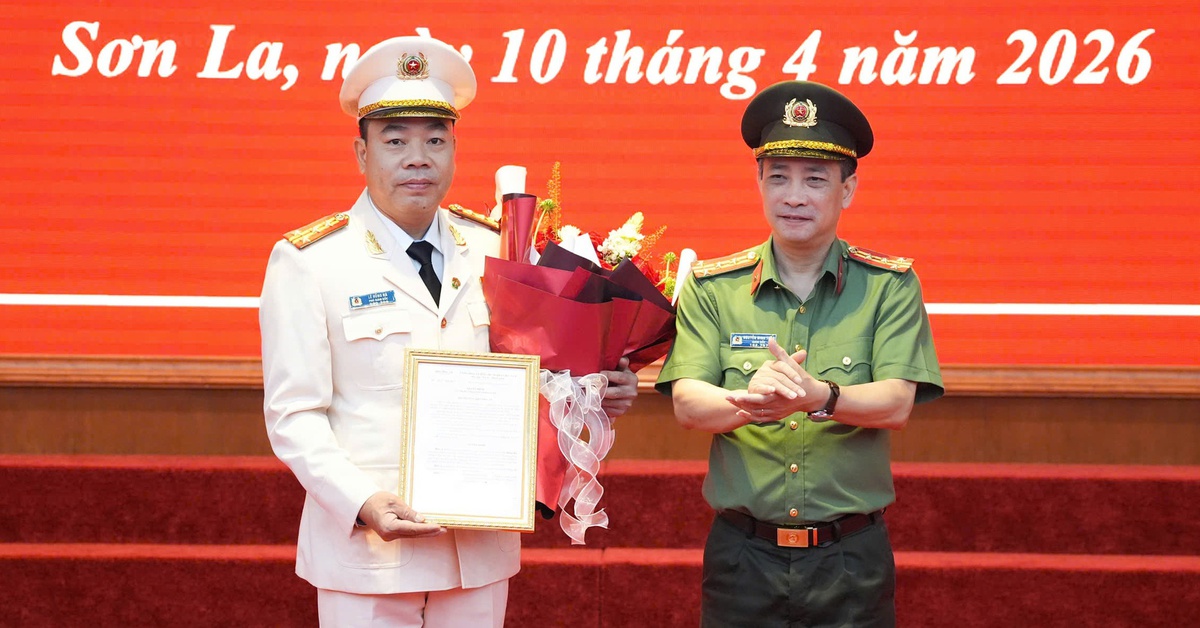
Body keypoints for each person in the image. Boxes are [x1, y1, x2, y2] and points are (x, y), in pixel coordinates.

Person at [259, 36, 638, 627]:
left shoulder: (497, 249)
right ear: (361, 152)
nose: (418, 158)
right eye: (396, 141)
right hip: (370, 554)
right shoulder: (310, 261)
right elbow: (294, 414)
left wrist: (593, 391)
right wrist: (361, 502)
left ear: (455, 150)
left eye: (435, 140)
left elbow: (539, 376)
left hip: (476, 549)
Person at [655, 80, 943, 627]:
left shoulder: (889, 287)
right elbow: (689, 404)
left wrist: (820, 397)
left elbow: (896, 403)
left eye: (815, 179)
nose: (794, 196)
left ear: (847, 190)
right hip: (743, 558)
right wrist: (751, 402)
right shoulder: (713, 288)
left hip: (850, 560)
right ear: (759, 183)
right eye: (778, 177)